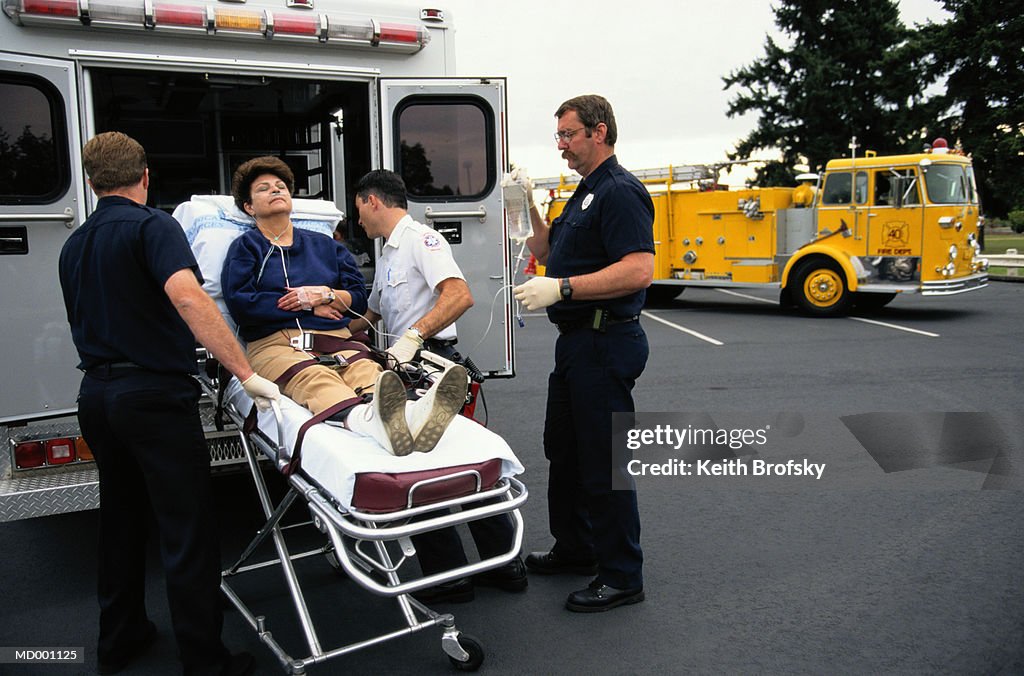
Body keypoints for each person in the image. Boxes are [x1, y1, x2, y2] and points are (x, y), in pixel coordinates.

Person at [58, 132, 280, 675]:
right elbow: (187, 297)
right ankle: (204, 659)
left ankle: (121, 637)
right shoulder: (154, 226)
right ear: (146, 175)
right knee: (186, 530)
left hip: (98, 396)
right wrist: (245, 373)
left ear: (90, 182)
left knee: (121, 521)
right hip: (153, 396)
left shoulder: (75, 242)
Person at [347, 169, 526, 603]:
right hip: (405, 367)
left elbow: (459, 295)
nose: (359, 222)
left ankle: (480, 570)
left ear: (373, 201)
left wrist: (415, 335)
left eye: (359, 211)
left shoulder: (421, 241)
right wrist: (332, 333)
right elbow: (371, 315)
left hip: (430, 364)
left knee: (436, 467)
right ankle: (472, 570)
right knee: (443, 466)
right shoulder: (388, 252)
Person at [220, 157, 467, 456]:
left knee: (371, 375)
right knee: (316, 379)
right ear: (249, 207)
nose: (275, 190)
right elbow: (241, 304)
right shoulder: (246, 248)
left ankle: (410, 415)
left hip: (337, 339)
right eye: (264, 188)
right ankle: (371, 422)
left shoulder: (326, 246)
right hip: (275, 345)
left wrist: (325, 295)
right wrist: (306, 306)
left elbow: (357, 298)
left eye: (281, 186)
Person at [513, 94, 655, 612]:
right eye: (558, 137)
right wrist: (524, 202)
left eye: (568, 135)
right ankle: (577, 547)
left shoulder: (620, 192)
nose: (562, 146)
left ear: (598, 132)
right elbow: (548, 253)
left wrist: (563, 290)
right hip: (578, 344)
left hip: (605, 338)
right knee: (565, 451)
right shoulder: (585, 193)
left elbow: (639, 270)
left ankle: (621, 575)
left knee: (604, 460)